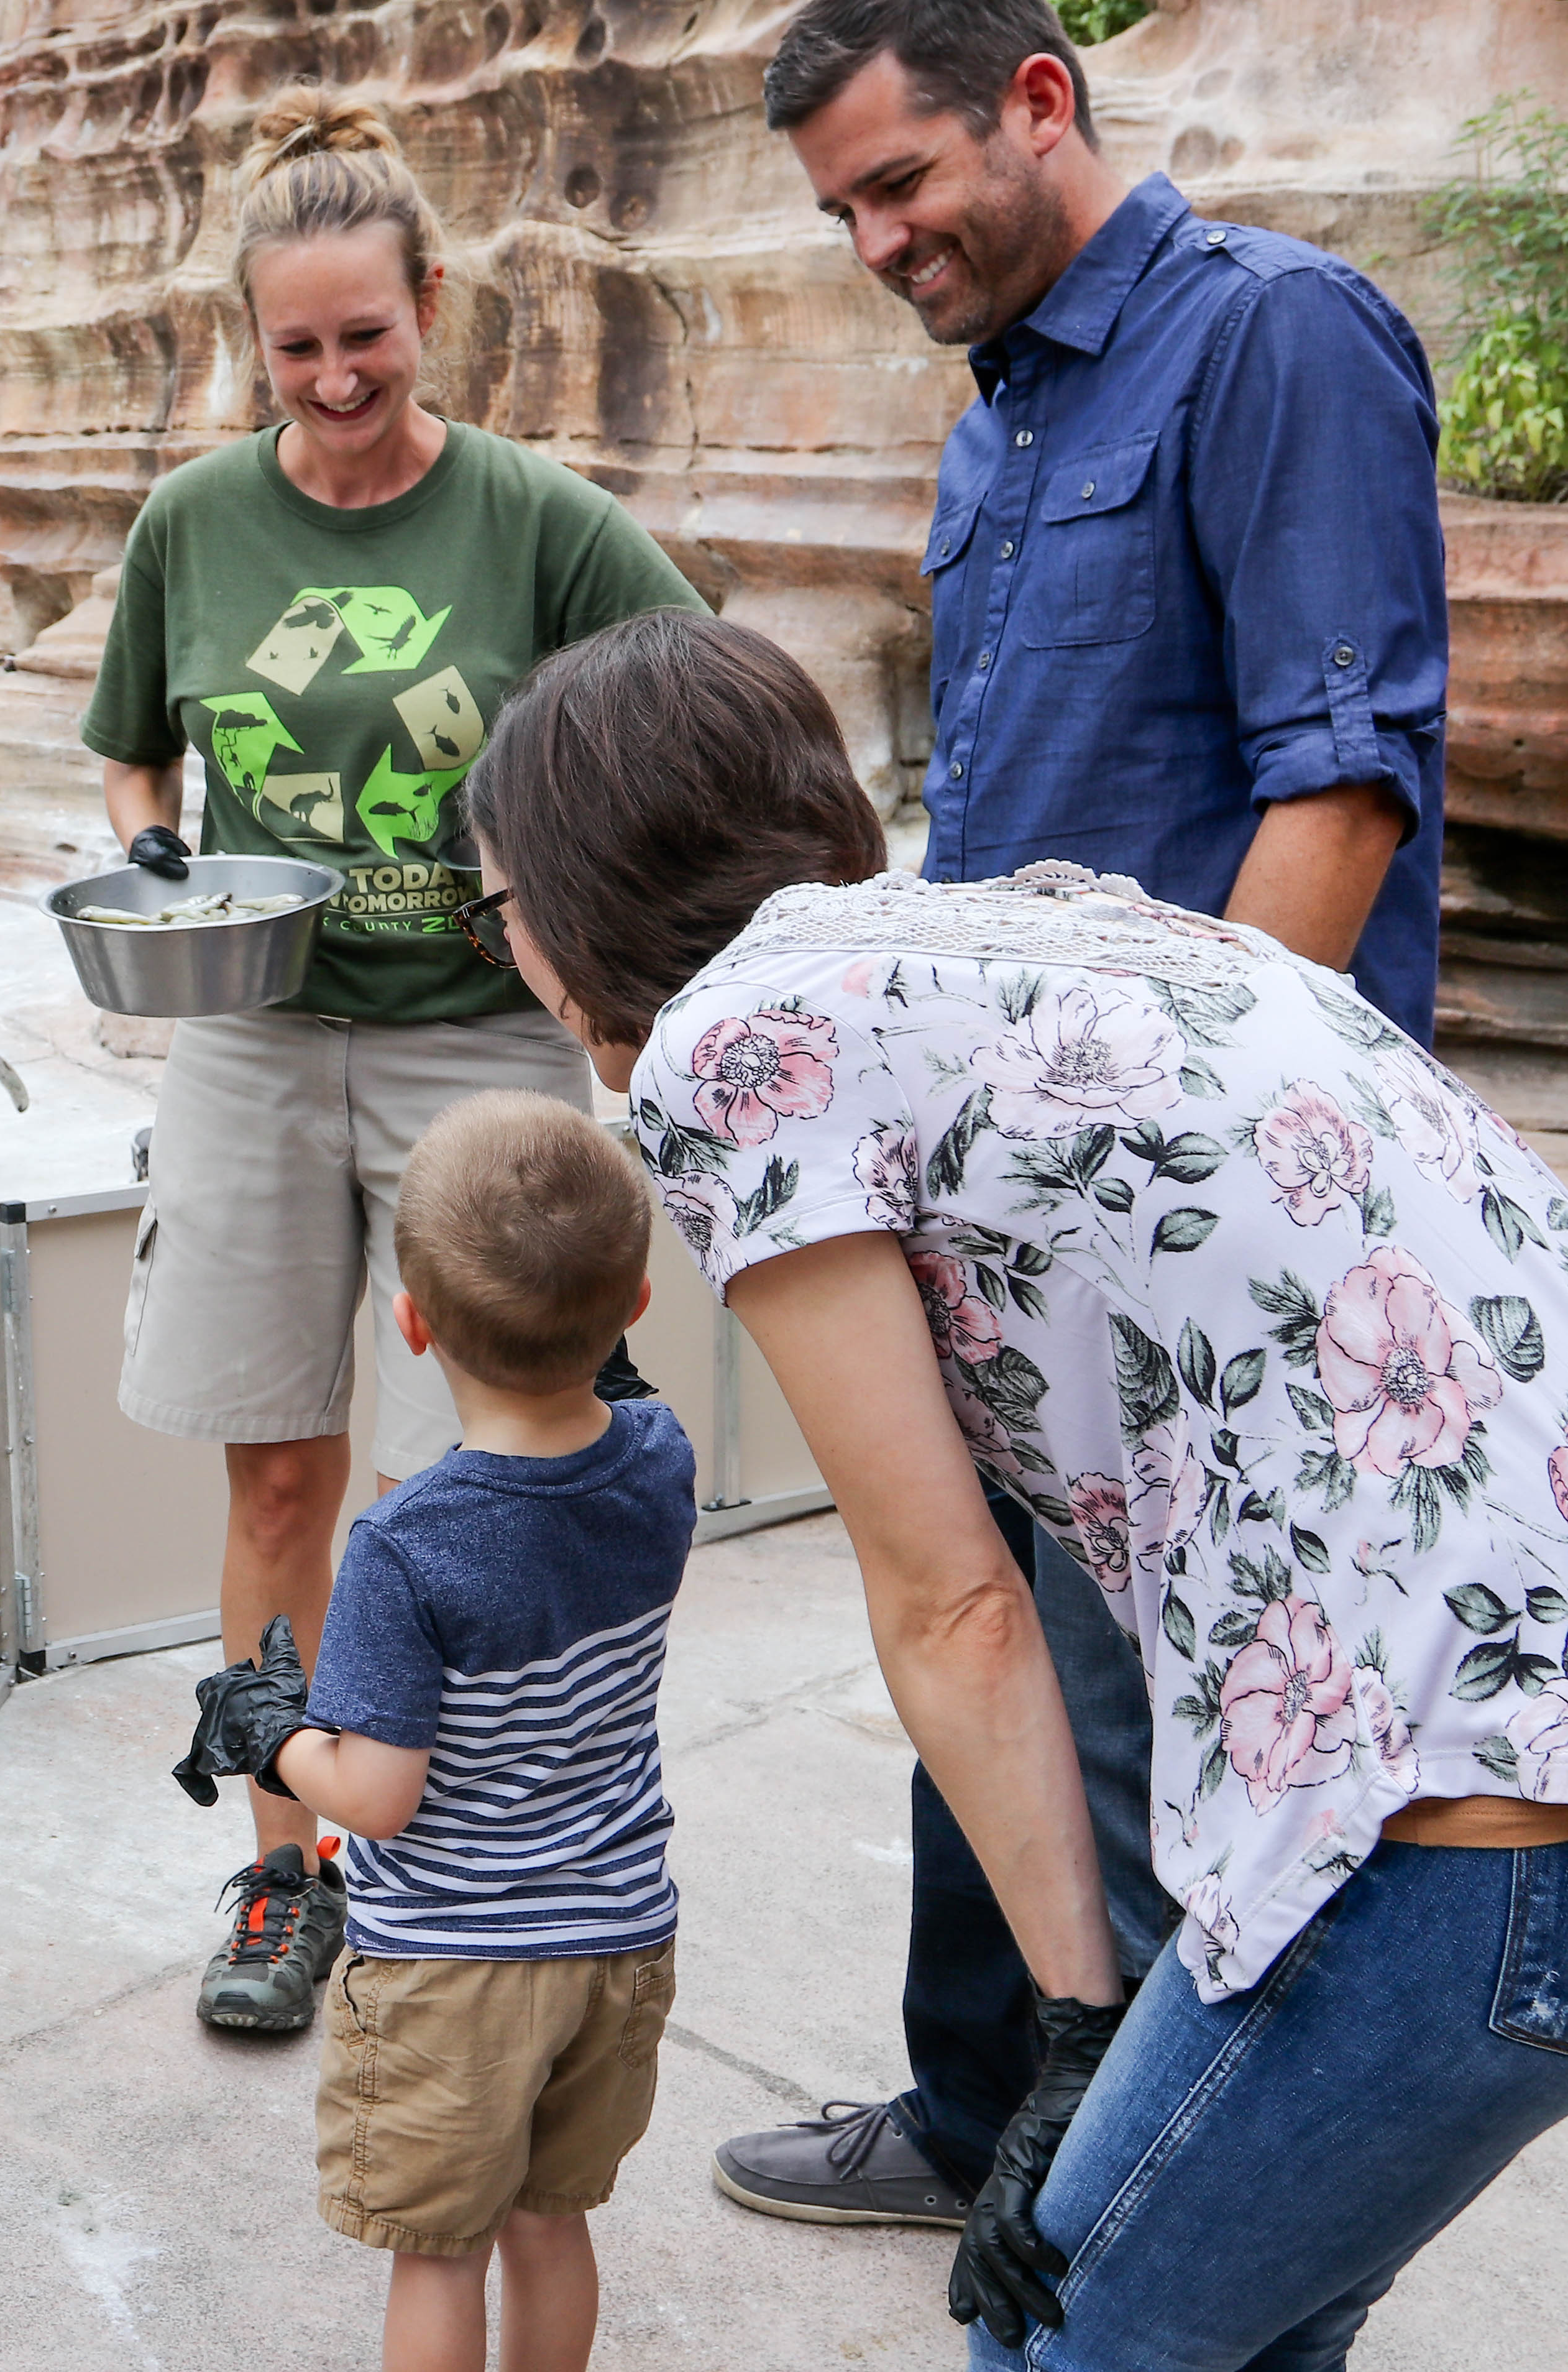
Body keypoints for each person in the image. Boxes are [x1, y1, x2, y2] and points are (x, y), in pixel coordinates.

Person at [462, 605, 1568, 2367]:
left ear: (574, 895)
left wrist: (1066, 2028)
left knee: (1062, 2338)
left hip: (1456, 1815)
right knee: (1255, 2330)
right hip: (1499, 1776)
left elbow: (951, 1601)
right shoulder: (1054, 924)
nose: (504, 950)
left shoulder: (735, 1045)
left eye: (494, 906)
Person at [714, 0, 1451, 2232]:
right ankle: (972, 2115)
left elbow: (1330, 798)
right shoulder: (994, 429)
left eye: (899, 182)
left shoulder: (1276, 340)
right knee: (989, 1652)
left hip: (1182, 1220)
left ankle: (1121, 2211)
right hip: (1003, 1206)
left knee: (1155, 1746)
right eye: (839, 207)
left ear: (1038, 101)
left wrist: (1155, 1202)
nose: (872, 241)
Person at [81, 84, 705, 2032]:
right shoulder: (193, 519)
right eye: (297, 347)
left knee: (488, 1475)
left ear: (431, 304)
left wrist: (595, 908)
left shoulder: (533, 519)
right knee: (282, 1477)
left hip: (481, 1051)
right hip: (257, 1040)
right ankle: (286, 1873)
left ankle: (473, 1859)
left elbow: (693, 701)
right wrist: (146, 856)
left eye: (367, 335)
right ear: (248, 342)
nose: (336, 377)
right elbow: (131, 756)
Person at [171, 1089, 694, 2372]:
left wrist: (269, 1728)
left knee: (440, 2254)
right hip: (620, 1943)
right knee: (549, 2226)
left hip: (457, 1967)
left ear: (408, 1328)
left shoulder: (407, 1548)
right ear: (633, 1306)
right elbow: (615, 1389)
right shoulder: (662, 1456)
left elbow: (378, 1795)